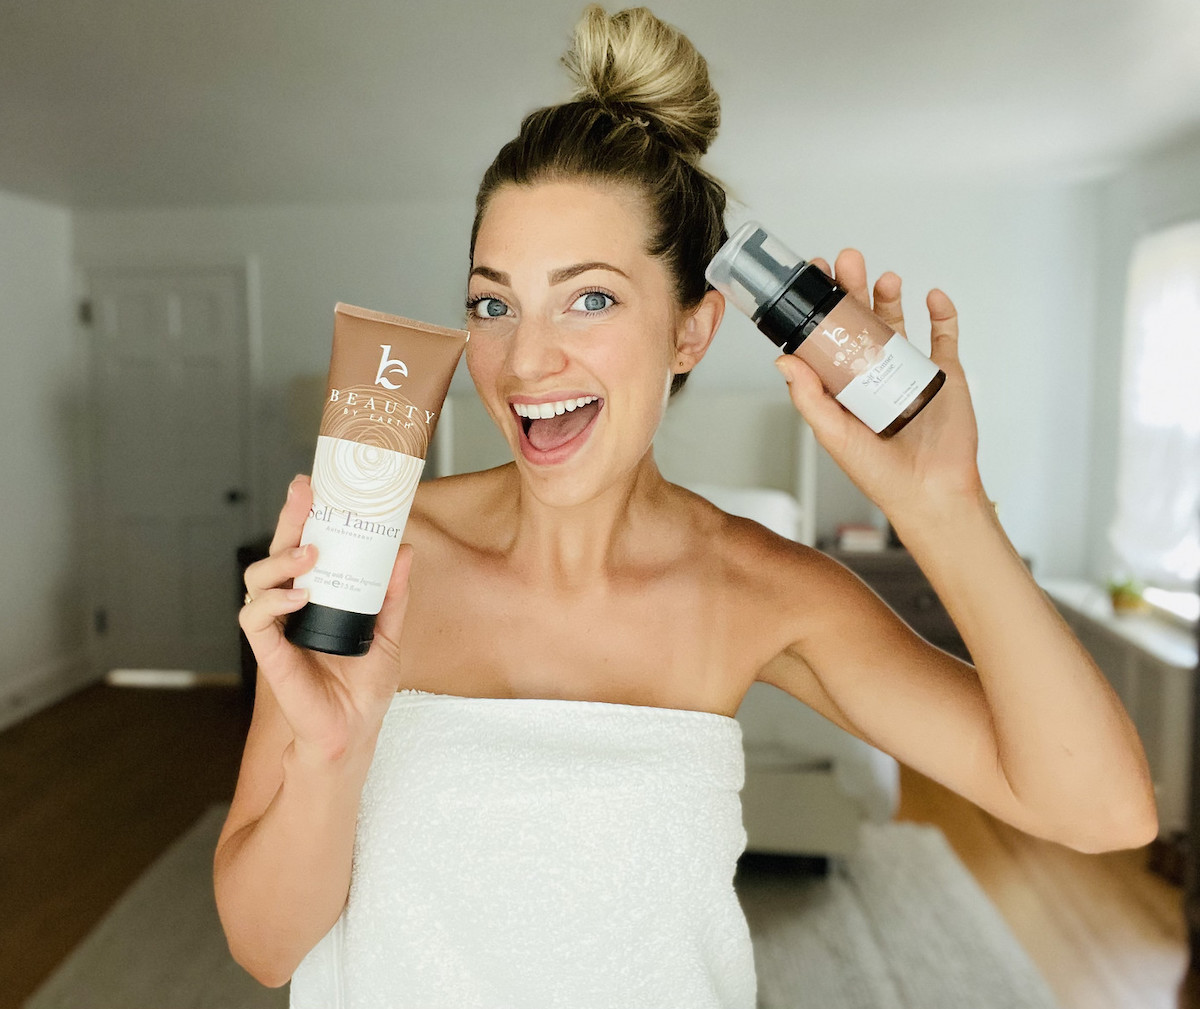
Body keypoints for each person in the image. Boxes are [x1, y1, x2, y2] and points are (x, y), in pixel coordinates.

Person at [214, 5, 1158, 1007]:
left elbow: (1100, 809)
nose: (525, 358)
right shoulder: (363, 561)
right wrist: (332, 752)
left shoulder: (760, 588)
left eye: (591, 297)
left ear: (693, 331)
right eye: (494, 302)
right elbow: (269, 948)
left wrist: (946, 504)